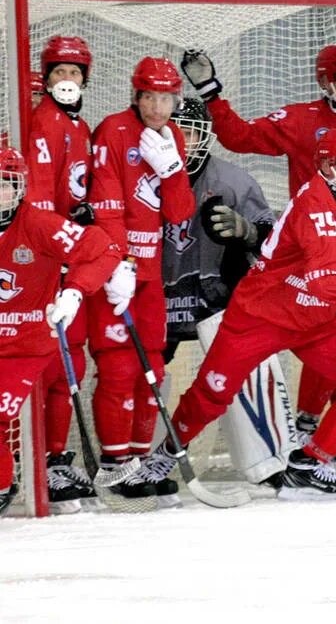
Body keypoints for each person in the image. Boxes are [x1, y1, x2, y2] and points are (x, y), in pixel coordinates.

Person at [180, 44, 336, 463]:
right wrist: (212, 93)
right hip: (310, 256)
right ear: (327, 81)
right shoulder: (301, 121)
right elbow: (239, 136)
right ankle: (307, 425)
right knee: (331, 338)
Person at [148, 128, 336, 498]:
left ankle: (308, 465)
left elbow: (320, 260)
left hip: (315, 320)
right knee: (212, 393)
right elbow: (322, 280)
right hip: (261, 315)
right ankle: (165, 455)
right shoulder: (316, 204)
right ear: (328, 166)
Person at [85, 57, 195, 507]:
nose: (157, 106)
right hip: (115, 269)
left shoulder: (175, 136)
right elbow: (106, 203)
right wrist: (119, 260)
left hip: (151, 274)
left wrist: (171, 171)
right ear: (136, 95)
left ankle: (137, 460)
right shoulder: (112, 130)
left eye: (166, 97)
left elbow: (179, 213)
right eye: (149, 96)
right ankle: (115, 466)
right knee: (117, 368)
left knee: (153, 369)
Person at [161, 98, 287, 488]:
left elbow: (273, 239)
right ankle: (142, 460)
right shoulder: (140, 176)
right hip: (157, 298)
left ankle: (270, 462)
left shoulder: (232, 181)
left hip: (219, 294)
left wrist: (247, 231)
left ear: (205, 137)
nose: (182, 140)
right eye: (174, 130)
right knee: (137, 374)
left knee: (248, 367)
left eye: (189, 131)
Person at [0, 147, 122, 516]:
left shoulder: (38, 224)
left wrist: (74, 291)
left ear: (19, 188)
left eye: (6, 184)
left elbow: (104, 249)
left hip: (24, 346)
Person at [24, 36, 98, 510]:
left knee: (65, 361)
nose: (66, 81)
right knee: (48, 365)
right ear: (45, 78)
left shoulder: (80, 125)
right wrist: (64, 239)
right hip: (46, 256)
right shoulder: (45, 123)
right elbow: (39, 201)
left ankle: (53, 459)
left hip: (66, 250)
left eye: (74, 73)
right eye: (58, 73)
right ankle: (40, 465)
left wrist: (82, 216)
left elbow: (71, 193)